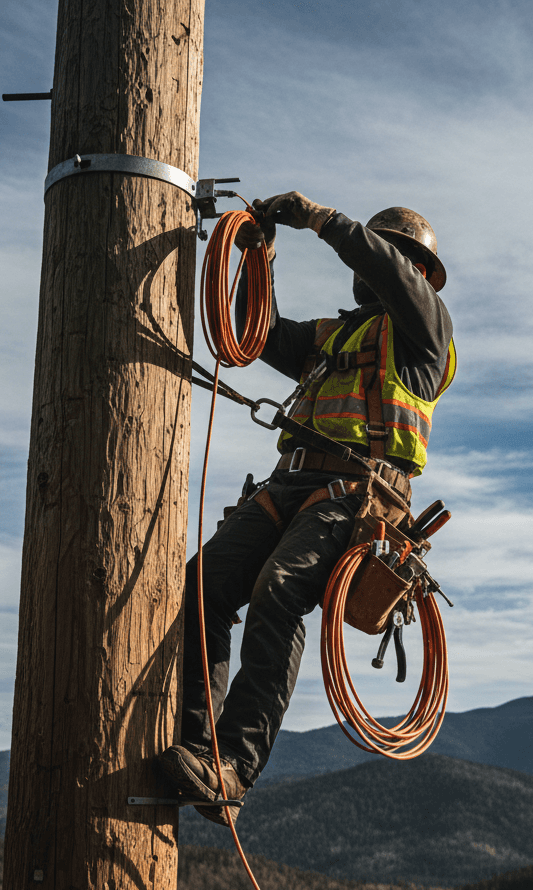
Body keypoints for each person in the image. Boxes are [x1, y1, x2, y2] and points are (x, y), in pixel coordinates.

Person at [158, 192, 456, 824]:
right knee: (200, 591)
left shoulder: (427, 335)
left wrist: (322, 220)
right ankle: (197, 745)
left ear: (418, 275)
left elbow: (388, 270)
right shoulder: (331, 337)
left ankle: (233, 768)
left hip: (355, 495)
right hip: (287, 486)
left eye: (396, 259)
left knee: (278, 591)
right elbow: (253, 332)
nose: (378, 268)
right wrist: (257, 253)